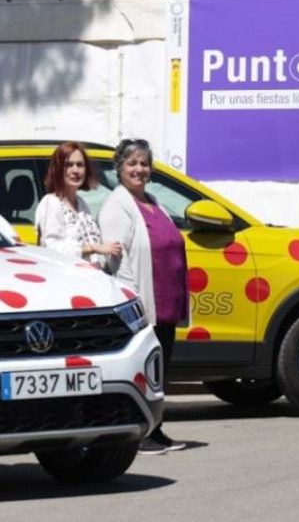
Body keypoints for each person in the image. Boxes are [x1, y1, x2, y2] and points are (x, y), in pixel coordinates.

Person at [99, 138, 189, 455]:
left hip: (165, 302)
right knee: (144, 370)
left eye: (144, 163)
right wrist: (132, 304)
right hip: (143, 304)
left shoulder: (153, 201)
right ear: (119, 168)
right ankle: (140, 433)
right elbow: (116, 261)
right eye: (132, 163)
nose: (139, 169)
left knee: (160, 371)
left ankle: (156, 427)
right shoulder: (117, 206)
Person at [33, 142, 122, 267]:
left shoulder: (82, 205)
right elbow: (51, 248)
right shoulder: (51, 202)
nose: (75, 170)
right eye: (69, 165)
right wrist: (93, 248)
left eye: (80, 165)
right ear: (58, 169)